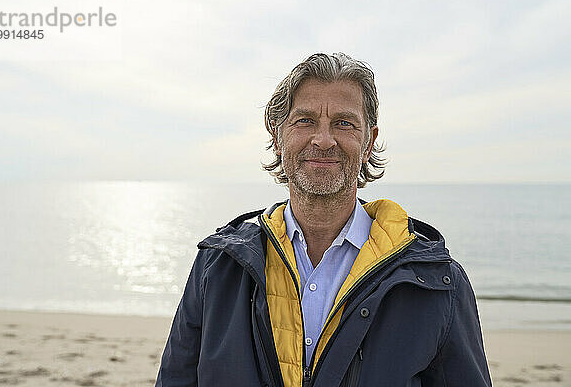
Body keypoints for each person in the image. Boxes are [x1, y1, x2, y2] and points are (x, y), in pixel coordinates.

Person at [156, 53, 492, 386]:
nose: (323, 140)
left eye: (344, 123)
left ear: (368, 141)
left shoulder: (438, 283)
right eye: (304, 121)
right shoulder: (217, 266)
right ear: (277, 136)